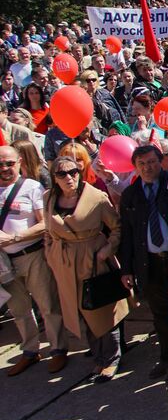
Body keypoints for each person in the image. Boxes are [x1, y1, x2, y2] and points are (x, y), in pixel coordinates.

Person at [41, 149, 128, 381]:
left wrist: (108, 249)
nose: (69, 177)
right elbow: (48, 231)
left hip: (93, 259)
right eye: (62, 174)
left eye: (74, 172)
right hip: (65, 263)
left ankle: (111, 358)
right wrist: (51, 255)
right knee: (81, 310)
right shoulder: (49, 198)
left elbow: (117, 227)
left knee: (102, 309)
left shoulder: (97, 197)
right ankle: (98, 357)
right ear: (54, 177)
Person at [116, 143, 168, 377]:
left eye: (152, 162)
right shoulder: (130, 195)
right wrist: (126, 269)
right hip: (151, 263)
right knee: (161, 313)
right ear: (135, 167)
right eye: (142, 163)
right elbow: (126, 235)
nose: (148, 167)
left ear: (161, 162)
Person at [1, 144, 67, 375]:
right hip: (4, 263)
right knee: (19, 309)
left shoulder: (31, 187)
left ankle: (58, 349)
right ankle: (30, 351)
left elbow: (44, 223)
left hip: (32, 255)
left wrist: (14, 237)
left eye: (10, 163)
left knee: (47, 305)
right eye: (1, 164)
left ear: (19, 162)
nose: (5, 168)